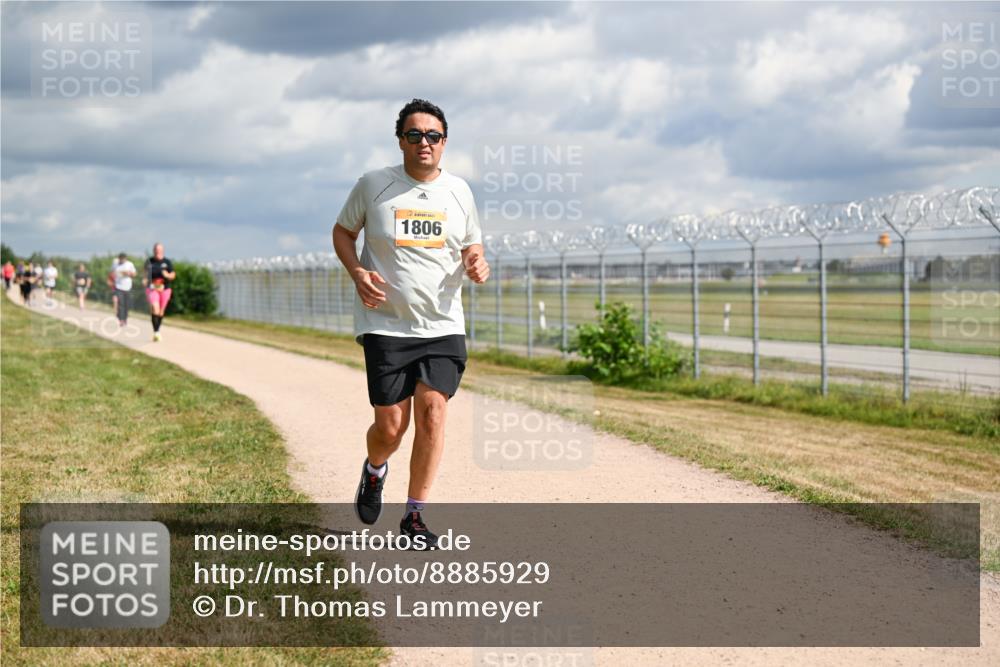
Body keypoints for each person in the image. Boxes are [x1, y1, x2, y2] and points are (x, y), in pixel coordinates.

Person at [332, 98, 489, 548]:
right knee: (390, 428)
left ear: (444, 143)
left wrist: (479, 264)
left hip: (442, 325)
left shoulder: (460, 191)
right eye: (415, 135)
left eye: (433, 136)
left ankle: (415, 516)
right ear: (400, 140)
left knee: (434, 413)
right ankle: (375, 469)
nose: (425, 143)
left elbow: (472, 248)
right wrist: (358, 272)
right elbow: (343, 232)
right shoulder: (375, 185)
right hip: (386, 325)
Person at [143, 243, 176, 342]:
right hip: (152, 288)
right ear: (153, 250)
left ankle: (157, 330)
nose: (157, 251)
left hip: (165, 289)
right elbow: (145, 274)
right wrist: (144, 280)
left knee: (161, 311)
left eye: (159, 249)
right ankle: (156, 332)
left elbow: (173, 275)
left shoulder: (167, 262)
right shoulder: (149, 261)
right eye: (156, 249)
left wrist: (167, 275)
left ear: (162, 250)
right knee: (155, 308)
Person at [112, 252, 137, 326]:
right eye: (121, 259)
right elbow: (112, 273)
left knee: (126, 304)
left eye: (123, 259)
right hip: (118, 287)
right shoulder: (115, 263)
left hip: (128, 287)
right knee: (120, 303)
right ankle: (121, 319)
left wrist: (128, 273)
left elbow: (134, 274)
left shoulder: (130, 264)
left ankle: (125, 319)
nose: (122, 260)